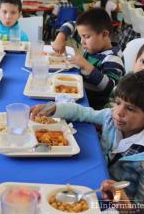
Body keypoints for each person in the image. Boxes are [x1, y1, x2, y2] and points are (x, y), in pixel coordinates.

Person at [31, 70, 144, 207]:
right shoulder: (110, 117)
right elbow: (83, 112)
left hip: (114, 204)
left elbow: (139, 206)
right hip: (92, 178)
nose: (119, 112)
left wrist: (123, 202)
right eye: (118, 102)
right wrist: (54, 108)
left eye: (130, 109)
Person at [52, 8, 125, 110]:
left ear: (104, 34)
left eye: (86, 37)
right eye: (81, 36)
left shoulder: (113, 58)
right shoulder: (93, 44)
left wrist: (87, 66)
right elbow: (72, 24)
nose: (82, 42)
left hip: (95, 107)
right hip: (82, 94)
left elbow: (110, 88)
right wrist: (61, 36)